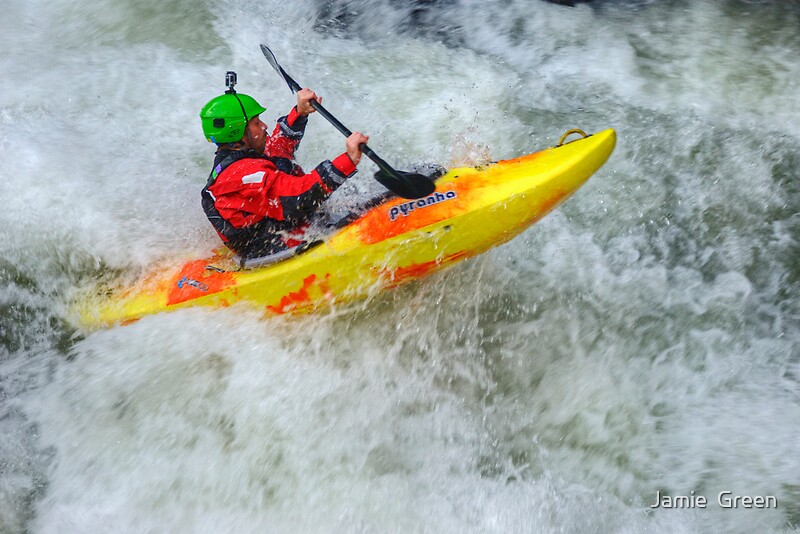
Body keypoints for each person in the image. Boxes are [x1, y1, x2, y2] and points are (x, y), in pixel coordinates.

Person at [199, 73, 368, 260]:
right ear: (238, 133)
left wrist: (300, 111)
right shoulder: (243, 175)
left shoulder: (242, 158)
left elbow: (278, 148)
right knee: (368, 207)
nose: (264, 126)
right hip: (275, 248)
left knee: (283, 163)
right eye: (256, 123)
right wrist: (349, 159)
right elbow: (301, 196)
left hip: (284, 229)